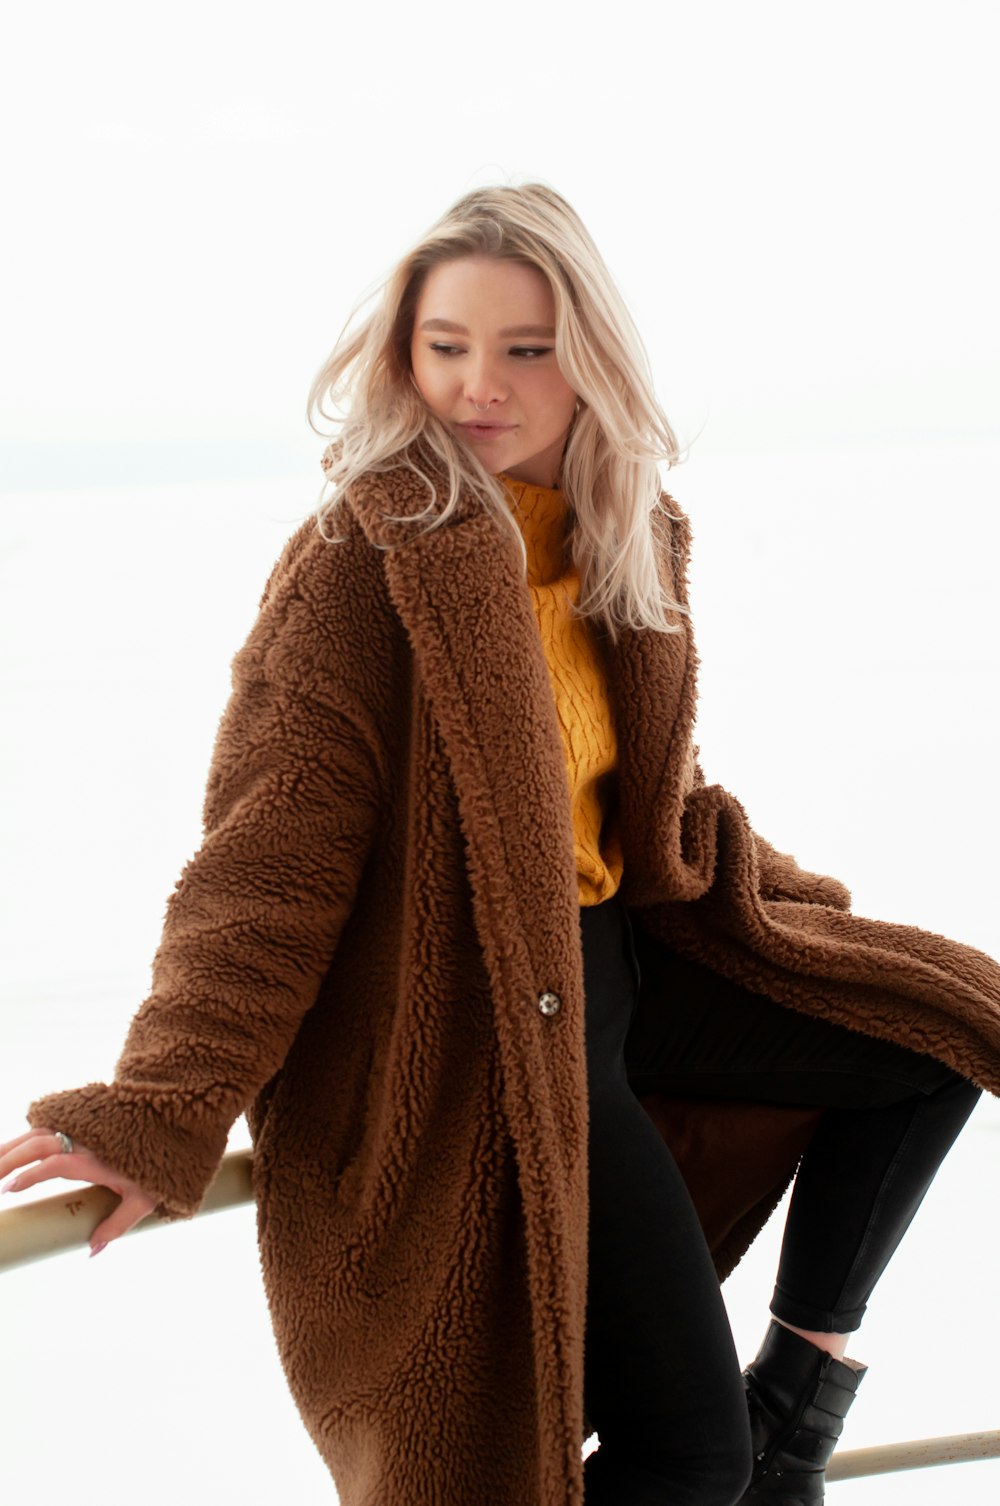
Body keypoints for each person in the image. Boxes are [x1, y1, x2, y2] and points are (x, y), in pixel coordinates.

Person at [1, 182, 997, 1506]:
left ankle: (798, 1405)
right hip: (474, 1030)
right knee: (688, 1456)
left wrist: (795, 923)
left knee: (929, 1030)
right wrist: (165, 1101)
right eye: (446, 344)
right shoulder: (367, 560)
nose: (481, 384)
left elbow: (652, 805)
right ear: (402, 355)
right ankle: (765, 1455)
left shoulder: (629, 538)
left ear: (589, 358)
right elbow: (266, 865)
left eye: (526, 347)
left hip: (617, 975)